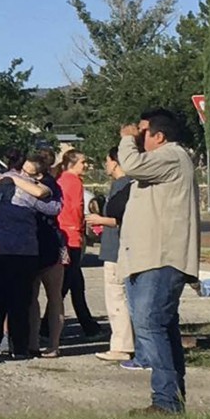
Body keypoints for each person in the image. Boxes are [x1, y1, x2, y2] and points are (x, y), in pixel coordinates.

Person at [118, 108, 200, 414]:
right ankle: (171, 399)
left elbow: (131, 165)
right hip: (147, 257)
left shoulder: (171, 156)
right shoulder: (162, 161)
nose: (137, 139)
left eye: (142, 134)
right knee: (161, 326)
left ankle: (166, 401)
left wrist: (127, 139)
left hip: (162, 257)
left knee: (151, 323)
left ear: (159, 135)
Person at [0, 153, 60, 360]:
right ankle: (19, 347)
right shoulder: (28, 192)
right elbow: (52, 208)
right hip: (24, 250)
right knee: (20, 301)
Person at [85, 147, 134, 362]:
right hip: (124, 248)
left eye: (107, 160)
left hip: (116, 249)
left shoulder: (122, 185)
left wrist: (99, 220)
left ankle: (121, 345)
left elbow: (121, 218)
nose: (106, 165)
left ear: (115, 162)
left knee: (116, 299)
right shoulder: (134, 183)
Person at [56, 150, 102, 337]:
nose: (85, 166)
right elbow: (75, 209)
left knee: (76, 284)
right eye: (82, 162)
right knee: (64, 285)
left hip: (63, 235)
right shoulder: (74, 182)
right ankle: (46, 325)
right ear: (72, 163)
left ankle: (88, 325)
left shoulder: (61, 180)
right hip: (72, 237)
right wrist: (82, 229)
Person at [28, 150, 66, 358]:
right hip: (39, 243)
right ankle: (36, 341)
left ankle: (53, 343)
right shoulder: (50, 183)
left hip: (47, 243)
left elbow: (51, 206)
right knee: (37, 297)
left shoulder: (48, 186)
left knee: (53, 296)